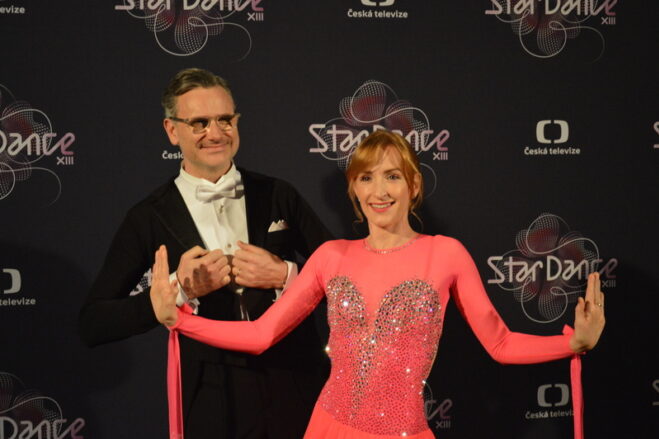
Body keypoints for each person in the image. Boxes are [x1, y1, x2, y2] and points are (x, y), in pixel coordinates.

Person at [151, 130, 606, 439]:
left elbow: (501, 343)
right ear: (354, 189)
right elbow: (260, 334)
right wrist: (181, 321)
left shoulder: (445, 254)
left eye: (392, 176)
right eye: (366, 178)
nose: (379, 191)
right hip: (328, 427)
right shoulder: (331, 257)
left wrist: (573, 343)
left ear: (413, 185)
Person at [79, 68, 332, 438]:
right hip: (210, 396)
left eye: (225, 119)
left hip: (296, 380)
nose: (215, 133)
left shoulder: (279, 193)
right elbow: (93, 323)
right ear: (172, 130)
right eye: (199, 123)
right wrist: (174, 292)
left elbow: (347, 280)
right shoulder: (148, 216)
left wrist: (286, 275)